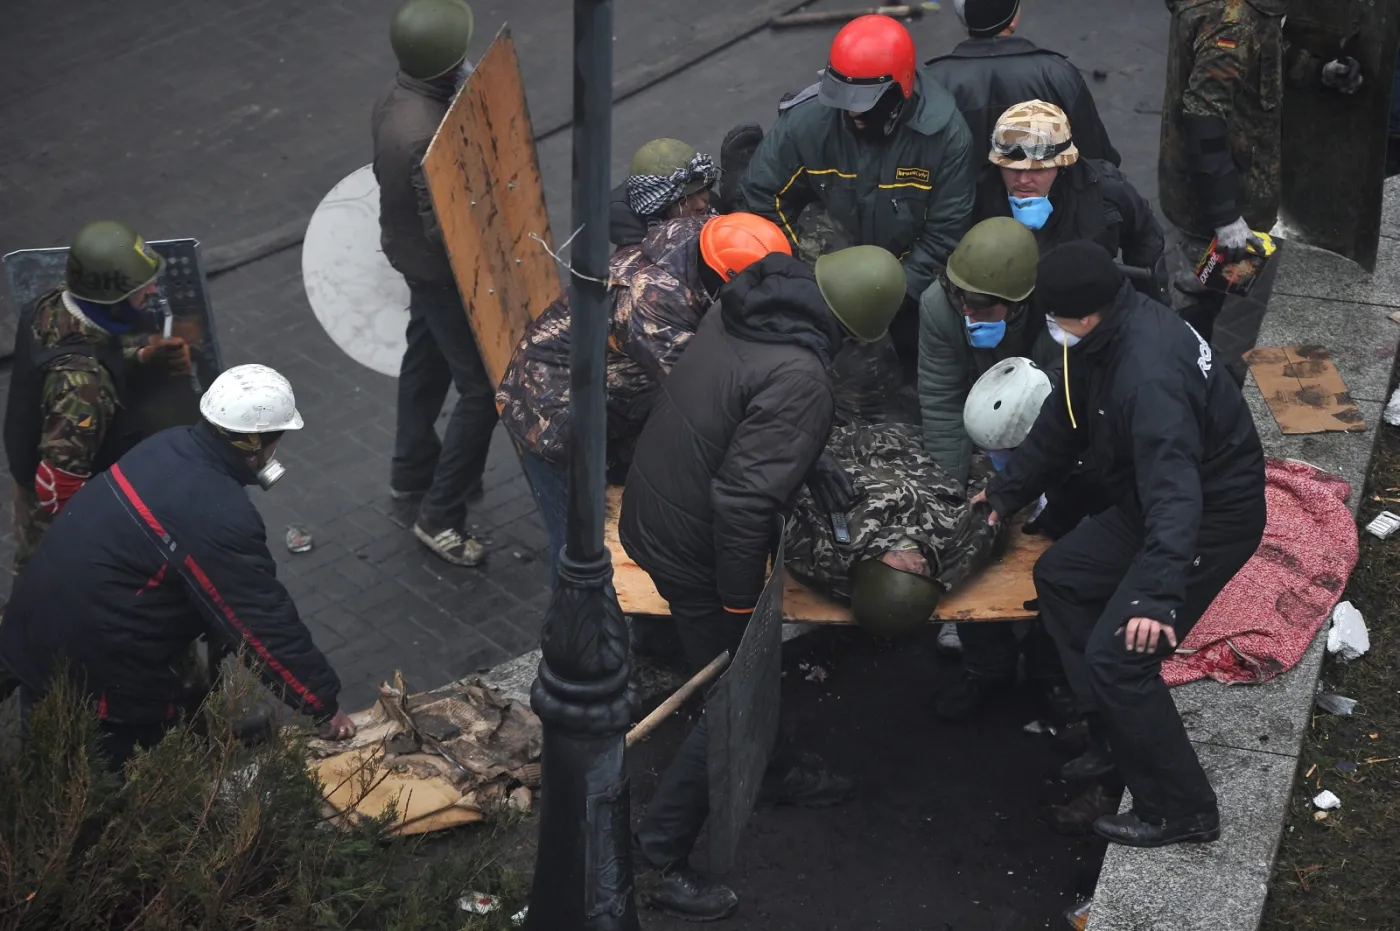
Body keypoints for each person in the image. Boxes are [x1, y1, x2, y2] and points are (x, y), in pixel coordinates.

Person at [619, 244, 906, 919]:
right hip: (699, 546)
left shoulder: (749, 305)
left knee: (736, 684)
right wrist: (743, 609)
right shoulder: (805, 375)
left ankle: (772, 771)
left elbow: (738, 408)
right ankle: (656, 853)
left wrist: (809, 456)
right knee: (732, 693)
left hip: (657, 509)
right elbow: (744, 504)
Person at [975, 241, 1266, 847]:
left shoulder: (1149, 376)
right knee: (1064, 576)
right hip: (1150, 502)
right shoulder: (1103, 335)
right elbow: (1065, 420)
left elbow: (1177, 492)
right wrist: (1004, 495)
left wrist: (1156, 595)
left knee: (1122, 658)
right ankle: (1110, 733)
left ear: (1083, 315)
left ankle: (1182, 808)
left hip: (1206, 517)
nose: (1050, 326)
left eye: (1054, 316)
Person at [0, 365, 357, 772]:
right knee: (108, 781)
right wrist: (321, 704)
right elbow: (260, 622)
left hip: (35, 628)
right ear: (257, 444)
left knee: (48, 741)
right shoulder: (218, 514)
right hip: (97, 671)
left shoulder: (167, 446)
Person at [498, 212, 790, 582]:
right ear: (726, 278)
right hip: (552, 416)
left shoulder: (712, 241)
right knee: (578, 550)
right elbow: (702, 390)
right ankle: (572, 634)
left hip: (618, 401)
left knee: (632, 518)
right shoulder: (655, 302)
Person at [739, 13, 975, 384]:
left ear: (902, 88)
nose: (851, 111)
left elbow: (945, 235)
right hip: (829, 273)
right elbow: (761, 195)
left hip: (904, 286)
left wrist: (882, 300)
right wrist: (798, 280)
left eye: (864, 100)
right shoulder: (808, 124)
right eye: (844, 96)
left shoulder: (946, 139)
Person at [1159, 0, 1363, 384]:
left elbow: (1264, 54)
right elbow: (1203, 116)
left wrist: (1317, 70)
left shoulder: (1250, 15)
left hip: (1232, 193)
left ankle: (1204, 371)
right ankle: (1186, 382)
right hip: (1213, 207)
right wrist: (1225, 216)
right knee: (1195, 297)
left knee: (1217, 290)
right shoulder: (1231, 22)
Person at [374, 0, 497, 566]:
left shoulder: (396, 99)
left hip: (414, 264)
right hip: (442, 274)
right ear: (445, 65)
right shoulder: (427, 135)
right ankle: (440, 515)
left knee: (425, 361)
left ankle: (411, 471)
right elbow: (446, 226)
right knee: (483, 391)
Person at [4, 219, 191, 578]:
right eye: (140, 287)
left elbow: (87, 342)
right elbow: (59, 493)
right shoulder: (84, 391)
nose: (151, 291)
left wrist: (142, 355)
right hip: (62, 532)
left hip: (25, 481)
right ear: (113, 299)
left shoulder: (49, 305)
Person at [784, 421, 1003, 624]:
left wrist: (811, 453)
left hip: (828, 444)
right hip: (911, 442)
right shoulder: (952, 545)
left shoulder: (824, 553)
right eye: (926, 577)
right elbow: (991, 494)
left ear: (873, 577)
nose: (920, 566)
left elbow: (768, 478)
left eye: (909, 572)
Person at [977, 101, 1163, 280]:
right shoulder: (978, 193)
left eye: (1037, 170)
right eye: (1013, 169)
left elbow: (1146, 239)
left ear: (1061, 165)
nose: (1023, 180)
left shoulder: (1104, 191)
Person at [929, 0, 1119, 169]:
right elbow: (1097, 159)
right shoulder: (1056, 73)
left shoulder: (932, 80)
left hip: (960, 208)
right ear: (1012, 19)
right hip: (1051, 205)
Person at [609, 138, 720, 247]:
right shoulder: (636, 260)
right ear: (659, 210)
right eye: (683, 201)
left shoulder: (714, 208)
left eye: (701, 190)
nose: (701, 205)